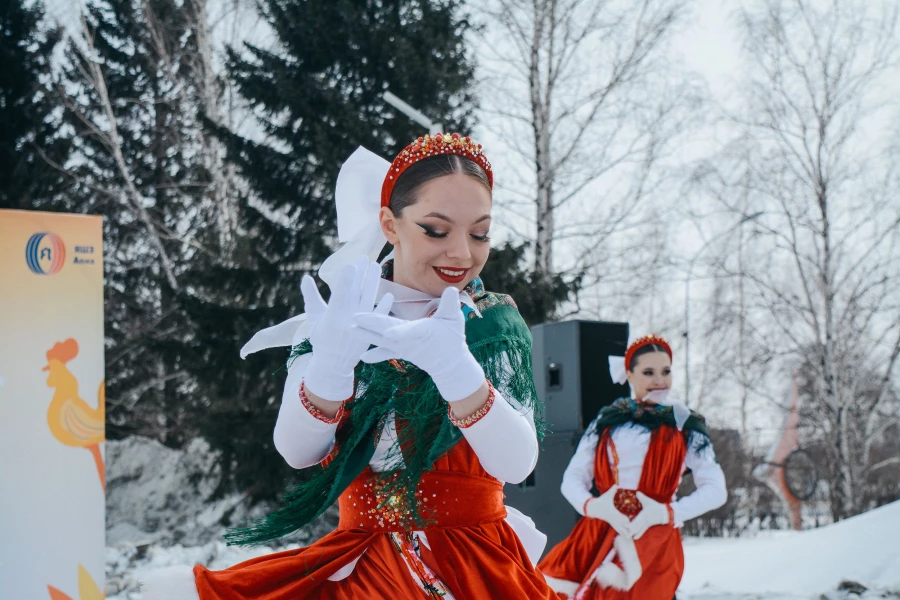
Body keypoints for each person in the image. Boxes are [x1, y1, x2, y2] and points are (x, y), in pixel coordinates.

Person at [142, 133, 558, 599]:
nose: (462, 253)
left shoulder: (492, 324)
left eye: (480, 232)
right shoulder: (337, 319)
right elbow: (296, 450)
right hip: (365, 575)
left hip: (478, 573)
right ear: (390, 224)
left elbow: (518, 464)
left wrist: (459, 373)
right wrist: (330, 368)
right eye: (436, 230)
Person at [538, 334, 727, 599]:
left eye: (666, 371)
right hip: (598, 532)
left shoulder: (686, 425)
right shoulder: (607, 421)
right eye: (648, 372)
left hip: (653, 540)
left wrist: (666, 514)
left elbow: (716, 490)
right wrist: (594, 506)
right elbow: (572, 479)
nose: (659, 380)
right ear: (629, 374)